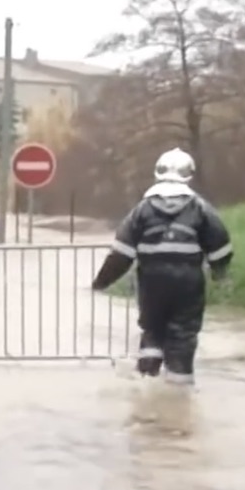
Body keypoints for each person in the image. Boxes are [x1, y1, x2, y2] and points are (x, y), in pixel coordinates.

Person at [90, 148, 233, 385]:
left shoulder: (142, 209)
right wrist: (219, 272)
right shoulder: (200, 208)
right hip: (188, 281)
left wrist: (100, 283)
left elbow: (121, 254)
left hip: (151, 280)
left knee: (152, 327)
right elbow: (220, 245)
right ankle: (180, 392)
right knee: (183, 332)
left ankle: (147, 378)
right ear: (190, 174)